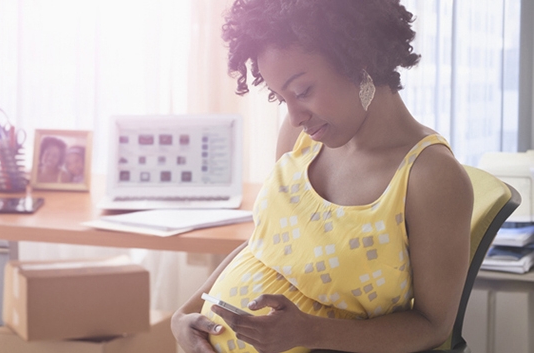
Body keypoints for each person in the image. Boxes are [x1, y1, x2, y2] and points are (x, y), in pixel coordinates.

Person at [171, 1, 474, 352]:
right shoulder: (300, 138)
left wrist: (310, 333)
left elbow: (432, 325)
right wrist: (185, 313)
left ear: (360, 60)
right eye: (279, 96)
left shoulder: (430, 178)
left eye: (302, 92)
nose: (295, 115)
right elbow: (262, 245)